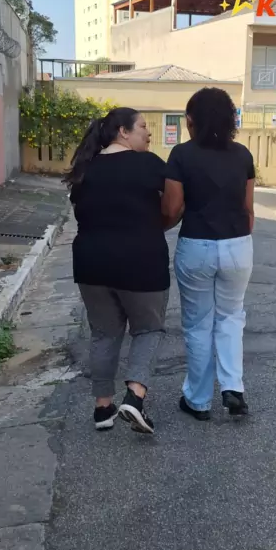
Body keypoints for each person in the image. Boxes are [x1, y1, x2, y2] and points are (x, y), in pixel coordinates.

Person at [65, 108, 169, 435]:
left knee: (104, 333)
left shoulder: (86, 167)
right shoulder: (149, 163)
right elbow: (173, 202)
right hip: (141, 260)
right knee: (148, 329)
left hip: (91, 263)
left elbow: (81, 210)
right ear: (123, 131)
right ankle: (135, 397)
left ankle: (103, 408)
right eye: (143, 126)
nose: (148, 133)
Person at [162, 87, 254, 421]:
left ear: (191, 120)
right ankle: (233, 388)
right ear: (230, 119)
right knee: (231, 318)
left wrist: (157, 227)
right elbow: (248, 209)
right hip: (238, 245)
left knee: (199, 324)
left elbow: (171, 209)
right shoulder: (243, 155)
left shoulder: (181, 155)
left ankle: (198, 401)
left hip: (197, 245)